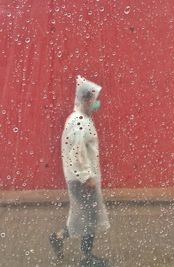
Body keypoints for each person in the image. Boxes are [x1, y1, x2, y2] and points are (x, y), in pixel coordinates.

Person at [50, 75, 110, 267]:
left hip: (78, 178)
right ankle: (86, 258)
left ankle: (58, 237)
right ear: (85, 100)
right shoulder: (79, 121)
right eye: (93, 99)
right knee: (90, 218)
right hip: (82, 180)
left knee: (80, 217)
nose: (96, 103)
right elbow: (77, 152)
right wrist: (86, 177)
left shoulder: (80, 118)